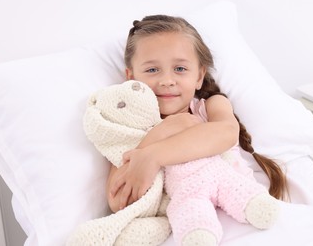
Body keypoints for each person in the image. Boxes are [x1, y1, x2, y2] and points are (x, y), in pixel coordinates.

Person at [106, 14, 288, 239]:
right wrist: (159, 132)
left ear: (199, 76)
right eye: (152, 70)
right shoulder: (129, 128)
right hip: (185, 225)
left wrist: (152, 156)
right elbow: (117, 201)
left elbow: (225, 133)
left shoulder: (210, 107)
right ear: (131, 78)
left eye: (180, 69)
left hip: (238, 214)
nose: (167, 80)